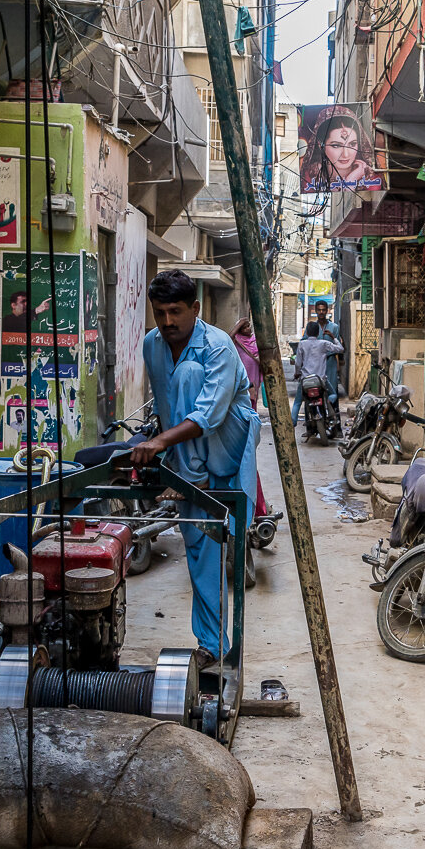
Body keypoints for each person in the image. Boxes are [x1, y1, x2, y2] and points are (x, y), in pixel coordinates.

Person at [131, 271, 261, 662]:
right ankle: (212, 645)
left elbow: (209, 414)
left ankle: (189, 476)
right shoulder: (152, 346)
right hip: (190, 455)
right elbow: (169, 408)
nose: (168, 322)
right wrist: (164, 451)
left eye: (176, 311)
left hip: (229, 437)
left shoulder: (218, 346)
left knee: (188, 373)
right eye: (160, 313)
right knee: (199, 548)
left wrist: (160, 446)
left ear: (195, 309)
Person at [229, 315, 275, 522]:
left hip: (251, 398)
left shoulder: (255, 344)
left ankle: (256, 509)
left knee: (246, 456)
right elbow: (226, 341)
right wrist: (236, 327)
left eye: (249, 324)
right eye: (243, 325)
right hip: (239, 397)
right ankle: (256, 509)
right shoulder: (235, 342)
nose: (247, 328)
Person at [305, 109, 383, 192]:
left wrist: (351, 180)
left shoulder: (370, 179)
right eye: (336, 145)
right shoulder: (310, 177)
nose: (345, 154)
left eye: (352, 144)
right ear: (321, 145)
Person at [290, 321, 343, 426]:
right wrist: (333, 337)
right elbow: (340, 349)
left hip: (305, 379)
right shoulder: (323, 343)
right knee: (333, 394)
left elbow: (298, 363)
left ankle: (292, 423)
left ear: (307, 332)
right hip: (320, 380)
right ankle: (327, 404)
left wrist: (297, 373)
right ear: (318, 332)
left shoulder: (302, 344)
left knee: (297, 402)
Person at [311, 300, 343, 398]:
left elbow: (338, 345)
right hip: (316, 361)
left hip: (330, 361)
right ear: (316, 310)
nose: (321, 312)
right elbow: (305, 341)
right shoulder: (312, 327)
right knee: (316, 388)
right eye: (319, 310)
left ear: (327, 311)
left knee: (332, 389)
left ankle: (334, 411)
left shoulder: (334, 327)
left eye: (323, 310)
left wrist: (340, 360)